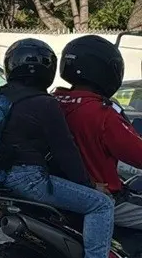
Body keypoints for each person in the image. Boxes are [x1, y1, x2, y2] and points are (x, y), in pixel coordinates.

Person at [0, 38, 130, 258]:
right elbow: (67, 150)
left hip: (5, 176)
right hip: (41, 179)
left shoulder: (13, 97)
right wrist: (90, 185)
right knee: (102, 204)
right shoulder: (89, 109)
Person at [53, 35, 142, 231]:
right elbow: (138, 154)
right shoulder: (100, 113)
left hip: (59, 194)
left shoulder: (52, 101)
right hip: (103, 197)